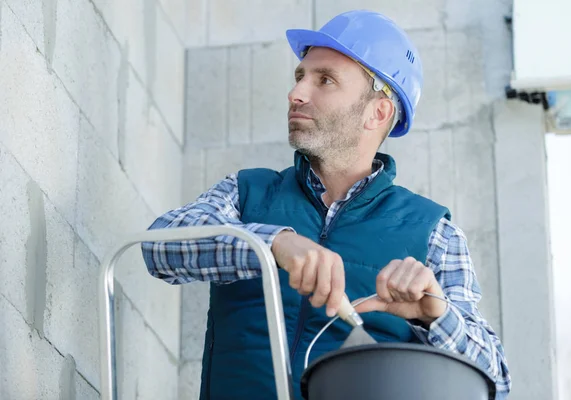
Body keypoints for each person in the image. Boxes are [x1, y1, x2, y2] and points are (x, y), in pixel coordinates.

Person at [142, 10, 511, 399]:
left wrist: (436, 314)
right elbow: (160, 247)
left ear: (378, 112)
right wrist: (272, 245)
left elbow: (497, 384)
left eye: (325, 80)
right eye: (300, 76)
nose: (297, 93)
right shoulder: (248, 192)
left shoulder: (434, 233)